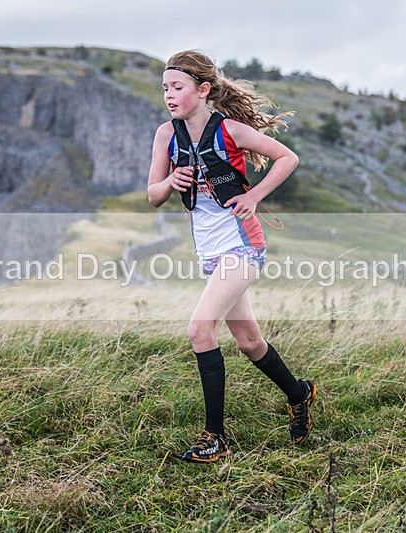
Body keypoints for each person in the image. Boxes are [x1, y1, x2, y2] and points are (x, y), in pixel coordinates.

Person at [147, 50, 317, 463]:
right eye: (165, 88)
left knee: (199, 331)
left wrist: (254, 195)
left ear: (203, 90)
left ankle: (215, 438)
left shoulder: (230, 131)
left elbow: (287, 157)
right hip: (208, 250)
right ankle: (299, 393)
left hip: (242, 244)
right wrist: (170, 180)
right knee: (249, 341)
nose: (169, 95)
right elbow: (153, 196)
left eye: (178, 87)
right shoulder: (165, 136)